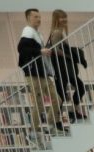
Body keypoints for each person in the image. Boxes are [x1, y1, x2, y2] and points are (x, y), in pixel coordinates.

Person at [18, 8, 64, 137]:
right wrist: (40, 51)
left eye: (39, 17)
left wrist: (45, 51)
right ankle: (34, 130)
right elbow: (21, 48)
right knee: (39, 102)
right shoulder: (27, 31)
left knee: (57, 99)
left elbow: (38, 51)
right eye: (35, 17)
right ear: (28, 18)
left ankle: (50, 124)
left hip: (43, 73)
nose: (39, 19)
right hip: (33, 73)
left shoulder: (38, 34)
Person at [47, 9, 88, 122]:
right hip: (61, 69)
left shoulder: (60, 31)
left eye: (65, 17)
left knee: (76, 88)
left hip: (64, 69)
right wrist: (66, 56)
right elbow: (54, 49)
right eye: (61, 17)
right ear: (56, 19)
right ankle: (57, 120)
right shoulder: (57, 32)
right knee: (62, 94)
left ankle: (73, 112)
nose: (64, 19)